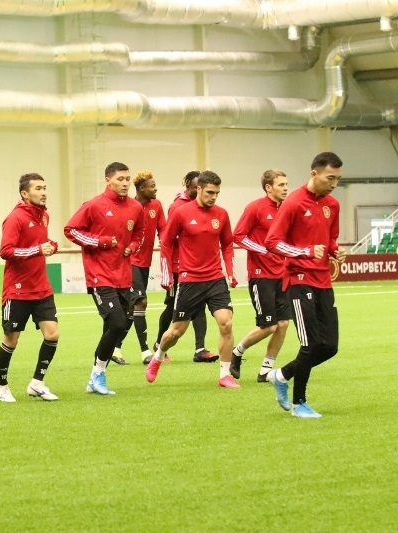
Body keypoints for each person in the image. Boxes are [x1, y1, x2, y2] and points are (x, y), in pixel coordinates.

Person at [264, 152, 346, 418]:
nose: (334, 184)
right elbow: (272, 242)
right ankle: (299, 403)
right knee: (310, 344)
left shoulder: (332, 205)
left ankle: (281, 375)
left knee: (329, 346)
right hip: (299, 280)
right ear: (314, 174)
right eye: (330, 178)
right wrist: (305, 252)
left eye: (338, 179)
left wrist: (335, 250)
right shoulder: (294, 202)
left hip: (323, 281)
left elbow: (330, 239)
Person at [146, 170, 239, 388]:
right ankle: (158, 356)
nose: (214, 197)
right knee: (176, 332)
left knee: (226, 323)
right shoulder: (181, 212)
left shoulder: (222, 214)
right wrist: (167, 273)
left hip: (215, 278)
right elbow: (166, 243)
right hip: (190, 280)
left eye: (217, 193)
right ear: (198, 189)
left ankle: (225, 375)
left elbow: (227, 244)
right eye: (209, 192)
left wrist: (231, 271)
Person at [65, 162, 145, 395]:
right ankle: (98, 374)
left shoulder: (135, 207)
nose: (125, 183)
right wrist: (99, 241)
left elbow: (139, 233)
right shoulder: (93, 205)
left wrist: (133, 246)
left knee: (117, 326)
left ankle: (95, 377)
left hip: (124, 275)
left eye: (127, 179)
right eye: (120, 179)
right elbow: (71, 230)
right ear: (108, 181)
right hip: (99, 275)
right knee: (118, 323)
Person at [0, 173, 60, 402]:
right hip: (17, 290)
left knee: (52, 334)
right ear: (25, 193)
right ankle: (1, 385)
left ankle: (37, 383)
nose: (43, 192)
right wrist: (37, 250)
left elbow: (38, 244)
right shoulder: (15, 218)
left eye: (45, 188)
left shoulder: (44, 216)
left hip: (41, 287)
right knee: (11, 339)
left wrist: (50, 246)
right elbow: (6, 251)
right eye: (38, 188)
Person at [150, 171, 218, 364]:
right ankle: (159, 344)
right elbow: (169, 239)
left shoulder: (206, 208)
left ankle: (200, 349)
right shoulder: (177, 207)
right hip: (177, 266)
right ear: (188, 185)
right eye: (195, 187)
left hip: (197, 268)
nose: (199, 191)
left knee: (200, 306)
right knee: (172, 306)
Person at [231, 170, 291, 382]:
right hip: (261, 274)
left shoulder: (287, 209)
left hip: (283, 275)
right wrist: (264, 250)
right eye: (281, 185)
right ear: (268, 187)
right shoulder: (255, 207)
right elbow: (238, 236)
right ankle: (237, 351)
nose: (285, 188)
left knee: (283, 324)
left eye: (286, 184)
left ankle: (265, 370)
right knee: (268, 326)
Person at [112, 170, 166, 366]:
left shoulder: (156, 206)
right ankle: (145, 351)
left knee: (130, 310)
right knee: (141, 302)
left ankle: (115, 349)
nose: (156, 189)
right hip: (130, 261)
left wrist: (166, 245)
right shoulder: (130, 207)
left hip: (145, 263)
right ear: (142, 189)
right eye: (152, 186)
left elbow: (163, 230)